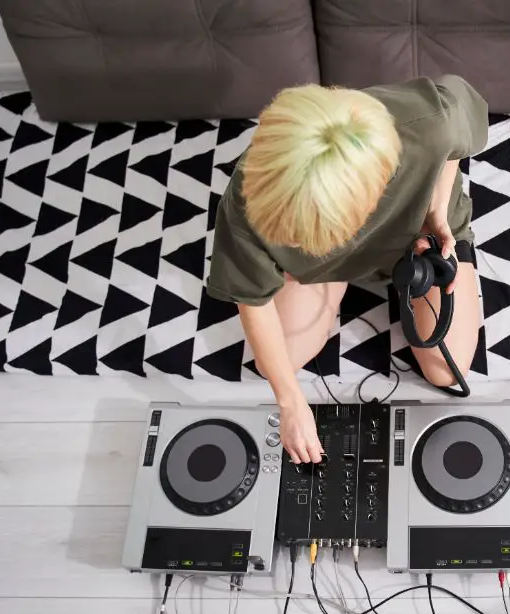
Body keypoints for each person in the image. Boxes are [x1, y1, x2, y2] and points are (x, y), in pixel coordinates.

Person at [206, 75, 489, 466]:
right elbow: (250, 298)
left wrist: (435, 212)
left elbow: (458, 137)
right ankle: (336, 279)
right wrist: (290, 403)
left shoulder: (428, 121)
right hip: (321, 270)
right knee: (279, 362)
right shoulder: (248, 197)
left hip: (417, 235)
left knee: (446, 371)